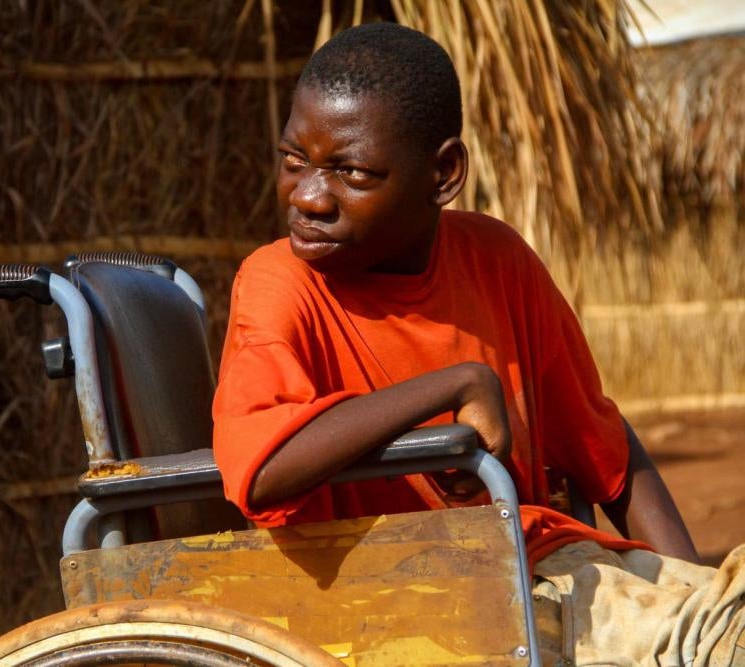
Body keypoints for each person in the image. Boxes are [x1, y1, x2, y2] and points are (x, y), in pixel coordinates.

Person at [212, 23, 744, 665]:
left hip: (539, 568)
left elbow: (606, 449)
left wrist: (691, 586)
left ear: (444, 173)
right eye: (294, 160)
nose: (308, 196)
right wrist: (456, 385)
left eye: (350, 171)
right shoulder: (280, 283)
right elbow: (261, 470)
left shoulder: (498, 261)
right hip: (405, 594)